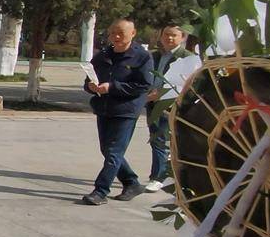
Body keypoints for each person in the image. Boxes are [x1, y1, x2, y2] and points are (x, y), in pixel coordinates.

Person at [81, 19, 153, 205]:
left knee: (113, 152)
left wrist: (112, 87)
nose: (116, 37)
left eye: (121, 33)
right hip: (104, 108)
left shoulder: (142, 57)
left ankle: (100, 191)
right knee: (107, 150)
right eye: (113, 33)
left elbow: (144, 85)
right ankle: (131, 182)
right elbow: (88, 81)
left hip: (126, 111)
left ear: (133, 33)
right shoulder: (102, 56)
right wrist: (92, 87)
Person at [144, 24, 203, 192]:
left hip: (173, 104)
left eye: (174, 35)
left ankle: (160, 177)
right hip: (152, 103)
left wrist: (164, 94)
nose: (169, 38)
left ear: (182, 37)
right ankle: (160, 175)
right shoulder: (154, 56)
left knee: (165, 140)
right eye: (166, 34)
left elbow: (191, 85)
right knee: (157, 139)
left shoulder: (188, 58)